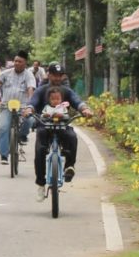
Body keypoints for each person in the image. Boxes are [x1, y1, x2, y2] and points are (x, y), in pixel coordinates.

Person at [27, 63, 92, 202]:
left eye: (59, 75)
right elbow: (32, 102)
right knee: (39, 151)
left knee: (72, 137)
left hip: (63, 126)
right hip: (45, 126)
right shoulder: (41, 90)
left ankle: (69, 166)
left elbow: (77, 101)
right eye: (54, 75)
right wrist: (29, 109)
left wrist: (85, 109)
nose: (57, 78)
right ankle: (40, 184)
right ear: (49, 75)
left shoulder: (66, 90)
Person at [0, 50, 36, 165]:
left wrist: (30, 104)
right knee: (4, 128)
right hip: (6, 106)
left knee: (30, 120)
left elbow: (31, 89)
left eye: (20, 61)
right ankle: (4, 155)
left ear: (25, 63)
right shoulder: (6, 73)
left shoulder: (29, 75)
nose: (16, 63)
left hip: (23, 106)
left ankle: (22, 136)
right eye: (15, 61)